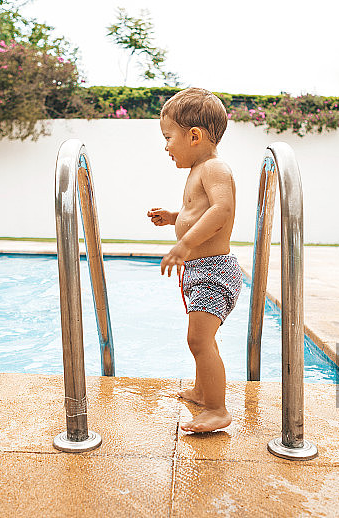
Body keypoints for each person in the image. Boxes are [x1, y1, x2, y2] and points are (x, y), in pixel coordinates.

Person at [147, 87, 241, 433]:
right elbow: (198, 211)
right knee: (202, 339)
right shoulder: (200, 170)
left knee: (199, 340)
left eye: (169, 137)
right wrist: (174, 217)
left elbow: (222, 210)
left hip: (213, 270)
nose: (166, 146)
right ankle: (203, 391)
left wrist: (184, 245)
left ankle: (217, 409)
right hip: (201, 271)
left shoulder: (214, 168)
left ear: (195, 136)